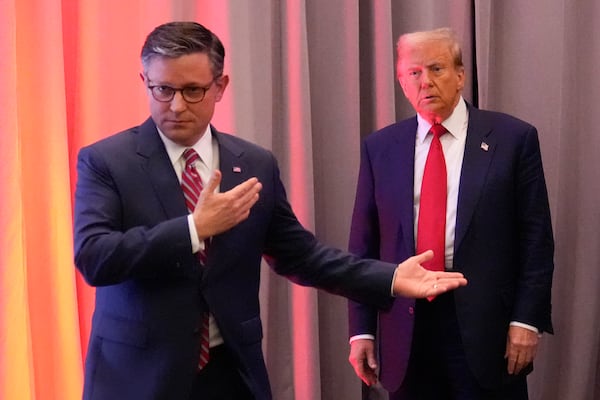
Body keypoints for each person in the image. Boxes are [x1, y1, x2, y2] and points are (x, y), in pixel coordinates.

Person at [73, 22, 467, 400]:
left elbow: (303, 256)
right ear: (144, 82)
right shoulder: (107, 161)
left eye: (193, 90)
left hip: (231, 375)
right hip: (138, 377)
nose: (176, 105)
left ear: (220, 87)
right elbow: (95, 256)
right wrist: (195, 228)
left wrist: (391, 278)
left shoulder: (254, 163)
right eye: (163, 89)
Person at [347, 27, 554, 400]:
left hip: (486, 331)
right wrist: (361, 330)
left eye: (437, 68)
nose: (425, 81)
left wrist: (527, 319)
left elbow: (536, 239)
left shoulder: (512, 139)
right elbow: (363, 246)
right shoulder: (380, 148)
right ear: (401, 81)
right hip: (405, 330)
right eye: (414, 73)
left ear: (460, 76)